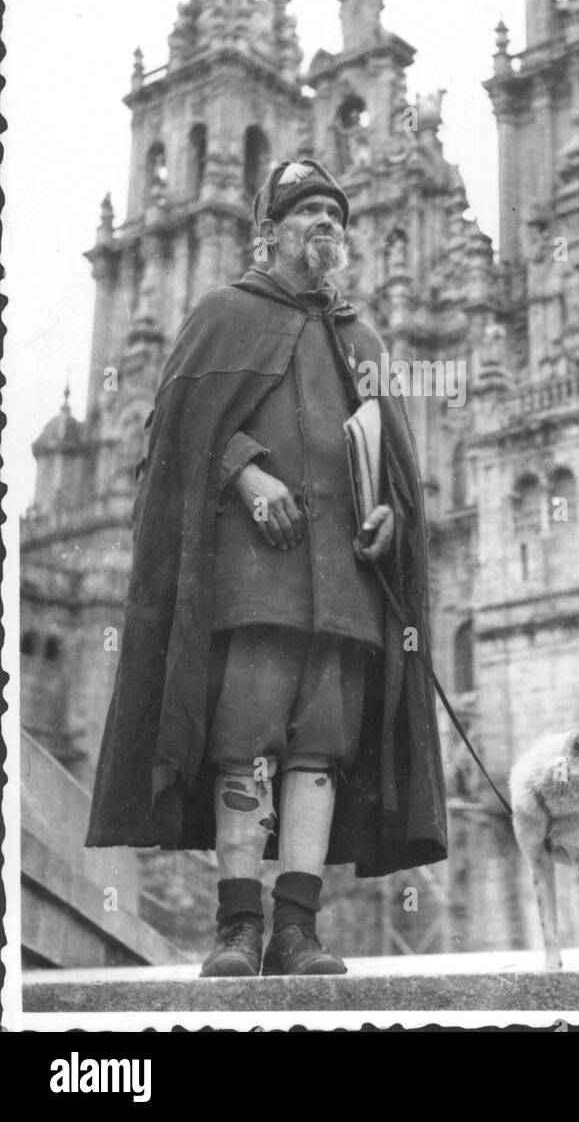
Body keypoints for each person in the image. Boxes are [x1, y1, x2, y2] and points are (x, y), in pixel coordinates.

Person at [86, 158, 447, 977]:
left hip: (346, 585)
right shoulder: (221, 315)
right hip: (256, 581)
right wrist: (244, 471)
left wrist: (390, 509)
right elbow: (175, 434)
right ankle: (237, 929)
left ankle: (297, 930)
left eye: (335, 213)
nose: (327, 222)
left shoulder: (362, 339)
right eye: (308, 211)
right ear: (267, 233)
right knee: (243, 746)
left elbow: (392, 458)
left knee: (319, 751)